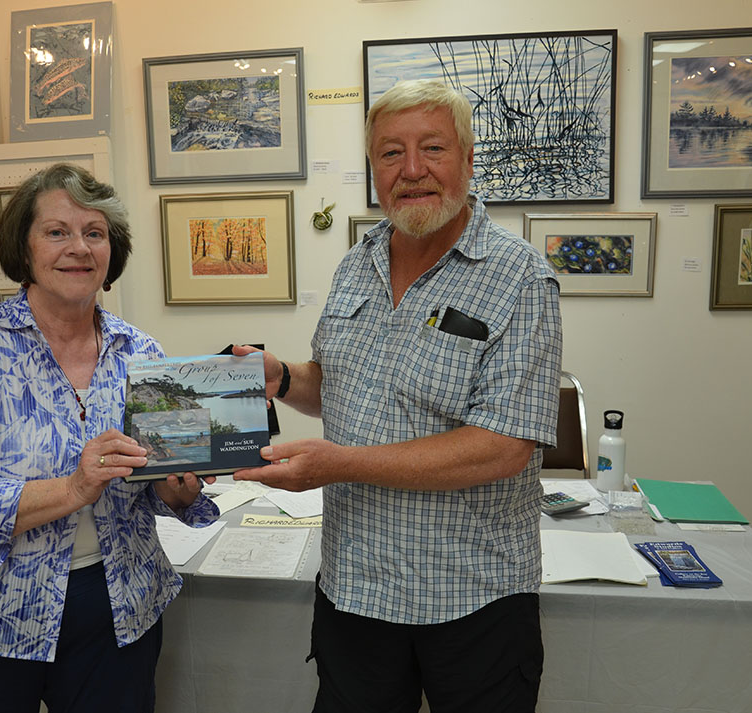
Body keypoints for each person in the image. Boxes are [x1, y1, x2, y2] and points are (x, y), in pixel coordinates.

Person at [233, 79, 562, 713]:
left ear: (467, 159)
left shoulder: (521, 277)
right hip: (355, 589)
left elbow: (501, 448)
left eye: (432, 148)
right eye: (390, 153)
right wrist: (281, 378)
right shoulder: (358, 262)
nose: (412, 170)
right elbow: (341, 385)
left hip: (472, 596)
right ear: (373, 168)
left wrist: (338, 463)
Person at [0, 163, 219, 713]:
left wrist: (180, 488)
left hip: (116, 610)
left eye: (94, 233)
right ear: (24, 251)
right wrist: (73, 489)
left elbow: (162, 488)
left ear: (110, 253)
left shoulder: (140, 353)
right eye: (56, 232)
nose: (78, 247)